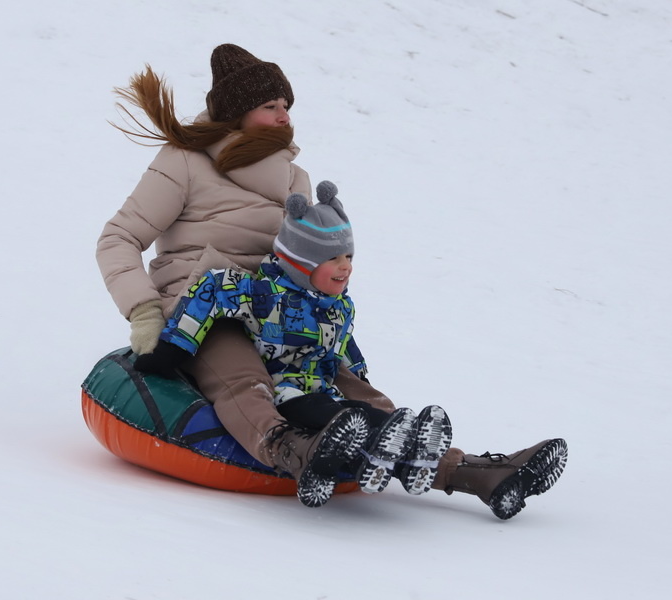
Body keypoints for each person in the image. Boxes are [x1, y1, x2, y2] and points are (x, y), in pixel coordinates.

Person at [97, 42, 567, 520]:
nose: (284, 116)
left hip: (277, 309)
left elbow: (302, 256)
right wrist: (145, 312)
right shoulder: (184, 161)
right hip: (204, 307)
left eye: (286, 106)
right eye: (270, 106)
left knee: (350, 385)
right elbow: (118, 238)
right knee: (243, 378)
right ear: (237, 114)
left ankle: (474, 472)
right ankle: (293, 450)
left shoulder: (294, 178)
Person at [134, 183, 454, 507]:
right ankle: (381, 448)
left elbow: (345, 343)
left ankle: (410, 449)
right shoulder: (265, 294)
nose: (345, 266)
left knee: (357, 411)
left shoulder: (339, 305)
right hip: (284, 391)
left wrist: (360, 376)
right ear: (300, 263)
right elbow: (212, 290)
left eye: (349, 256)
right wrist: (173, 348)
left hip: (323, 388)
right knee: (334, 414)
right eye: (333, 258)